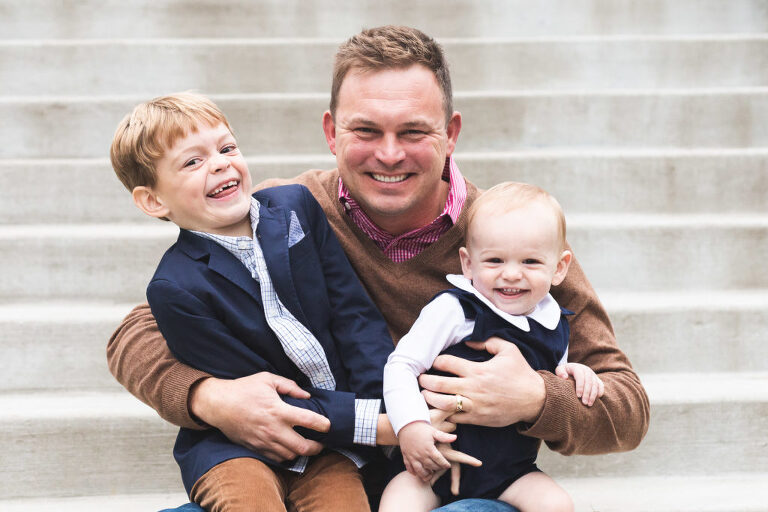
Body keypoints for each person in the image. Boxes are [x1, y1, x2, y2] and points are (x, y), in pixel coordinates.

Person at [108, 26, 649, 512]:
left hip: (450, 484)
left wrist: (536, 398)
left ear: (451, 133)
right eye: (365, 130)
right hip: (317, 469)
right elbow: (135, 332)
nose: (389, 155)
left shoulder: (509, 243)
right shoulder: (283, 213)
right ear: (331, 131)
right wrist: (210, 397)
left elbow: (626, 406)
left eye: (413, 132)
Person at [109, 92, 403, 510]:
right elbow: (258, 400)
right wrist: (373, 425)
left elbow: (353, 314)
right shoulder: (175, 287)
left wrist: (389, 408)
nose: (220, 163)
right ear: (154, 201)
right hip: (239, 446)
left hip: (332, 440)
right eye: (193, 162)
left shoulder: (296, 207)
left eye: (227, 148)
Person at [380, 182, 605, 511]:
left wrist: (576, 372)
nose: (511, 274)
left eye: (530, 262)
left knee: (557, 504)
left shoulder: (555, 323)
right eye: (495, 260)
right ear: (468, 264)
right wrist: (410, 426)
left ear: (559, 268)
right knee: (397, 503)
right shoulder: (456, 309)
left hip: (511, 472)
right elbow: (402, 365)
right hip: (432, 463)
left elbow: (553, 377)